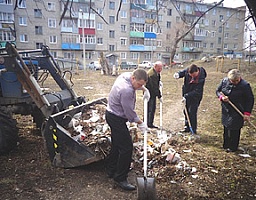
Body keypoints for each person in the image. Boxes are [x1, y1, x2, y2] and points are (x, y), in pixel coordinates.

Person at [105, 69, 150, 191]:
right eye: (139, 85)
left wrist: (144, 89)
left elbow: (136, 84)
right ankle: (120, 178)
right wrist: (141, 124)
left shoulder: (126, 76)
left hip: (110, 113)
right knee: (126, 147)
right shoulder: (126, 90)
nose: (140, 87)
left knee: (116, 143)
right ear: (133, 79)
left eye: (142, 85)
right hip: (116, 118)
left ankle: (111, 169)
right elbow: (129, 113)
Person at [216, 69, 254, 152]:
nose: (235, 82)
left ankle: (233, 147)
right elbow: (218, 91)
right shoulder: (224, 81)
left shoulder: (245, 85)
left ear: (239, 78)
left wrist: (247, 113)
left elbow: (250, 100)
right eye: (233, 81)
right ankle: (226, 145)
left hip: (238, 110)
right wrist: (222, 97)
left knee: (235, 129)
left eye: (237, 80)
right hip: (226, 109)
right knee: (226, 127)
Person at [173, 64, 207, 134]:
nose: (192, 77)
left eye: (193, 75)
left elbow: (197, 91)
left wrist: (186, 96)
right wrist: (178, 74)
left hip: (195, 97)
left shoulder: (201, 78)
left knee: (192, 112)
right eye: (190, 75)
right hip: (186, 93)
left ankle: (193, 130)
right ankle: (187, 127)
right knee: (186, 111)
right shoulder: (189, 70)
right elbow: (183, 72)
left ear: (197, 71)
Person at [145, 61, 163, 128]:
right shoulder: (152, 74)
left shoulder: (156, 73)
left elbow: (156, 83)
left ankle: (149, 123)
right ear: (155, 67)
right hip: (150, 93)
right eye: (159, 68)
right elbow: (154, 87)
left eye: (161, 68)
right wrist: (159, 96)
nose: (160, 70)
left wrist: (159, 82)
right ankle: (148, 124)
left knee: (151, 108)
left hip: (152, 93)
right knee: (150, 109)